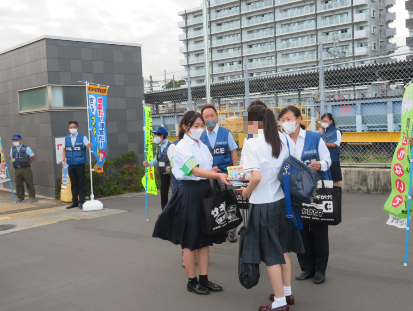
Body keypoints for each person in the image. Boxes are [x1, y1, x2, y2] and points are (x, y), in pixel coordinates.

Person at [153, 110, 229, 295]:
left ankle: (204, 278)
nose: (200, 129)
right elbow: (193, 171)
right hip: (189, 192)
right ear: (185, 127)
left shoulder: (202, 145)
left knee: (204, 239)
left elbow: (202, 169)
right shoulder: (181, 147)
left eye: (201, 126)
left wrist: (210, 171)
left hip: (204, 190)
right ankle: (191, 281)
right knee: (190, 241)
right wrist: (216, 174)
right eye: (196, 126)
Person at [238, 105, 304, 311]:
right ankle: (287, 293)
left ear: (254, 122)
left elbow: (254, 177)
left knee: (270, 255)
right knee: (282, 249)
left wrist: (245, 191)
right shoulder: (282, 139)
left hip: (262, 204)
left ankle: (279, 302)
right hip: (281, 202)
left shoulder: (251, 143)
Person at [279, 106, 332, 285]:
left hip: (316, 191)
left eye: (288, 119)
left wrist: (321, 165)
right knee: (300, 230)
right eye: (282, 120)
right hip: (294, 193)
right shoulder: (282, 140)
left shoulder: (315, 137)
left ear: (299, 120)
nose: (285, 123)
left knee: (318, 230)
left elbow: (327, 159)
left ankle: (319, 269)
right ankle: (307, 268)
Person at [200, 104, 239, 243]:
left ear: (217, 117)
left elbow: (233, 151)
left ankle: (231, 231)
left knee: (229, 200)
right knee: (214, 201)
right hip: (209, 175)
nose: (209, 118)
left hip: (226, 173)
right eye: (206, 117)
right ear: (203, 119)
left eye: (212, 116)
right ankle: (218, 229)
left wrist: (235, 172)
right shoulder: (200, 135)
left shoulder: (225, 132)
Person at [62, 121, 92, 209]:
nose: (72, 129)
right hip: (71, 163)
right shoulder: (66, 138)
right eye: (71, 127)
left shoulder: (83, 137)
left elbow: (88, 146)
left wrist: (90, 145)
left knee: (81, 183)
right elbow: (64, 149)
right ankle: (74, 201)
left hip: (80, 163)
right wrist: (63, 158)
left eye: (74, 127)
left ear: (77, 128)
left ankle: (81, 201)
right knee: (73, 183)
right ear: (68, 128)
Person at [143, 126, 172, 210]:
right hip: (163, 172)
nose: (154, 137)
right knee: (163, 192)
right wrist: (148, 164)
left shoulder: (171, 146)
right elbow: (157, 159)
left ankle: (174, 212)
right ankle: (164, 212)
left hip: (172, 173)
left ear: (161, 136)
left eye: (156, 135)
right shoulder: (159, 146)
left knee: (175, 192)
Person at [1, 135, 35, 203]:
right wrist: (5, 153)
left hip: (26, 168)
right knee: (18, 183)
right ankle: (20, 198)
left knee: (29, 183)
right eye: (14, 140)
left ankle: (32, 197)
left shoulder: (26, 148)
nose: (15, 141)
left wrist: (28, 162)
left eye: (16, 140)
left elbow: (32, 156)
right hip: (17, 169)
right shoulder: (12, 149)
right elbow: (11, 159)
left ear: (21, 140)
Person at [319, 113, 342, 187]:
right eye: (322, 121)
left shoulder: (336, 131)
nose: (324, 123)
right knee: (325, 180)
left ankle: (335, 197)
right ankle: (328, 197)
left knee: (334, 180)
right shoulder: (321, 131)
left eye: (326, 121)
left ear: (331, 121)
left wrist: (324, 144)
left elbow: (335, 144)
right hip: (323, 159)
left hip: (333, 158)